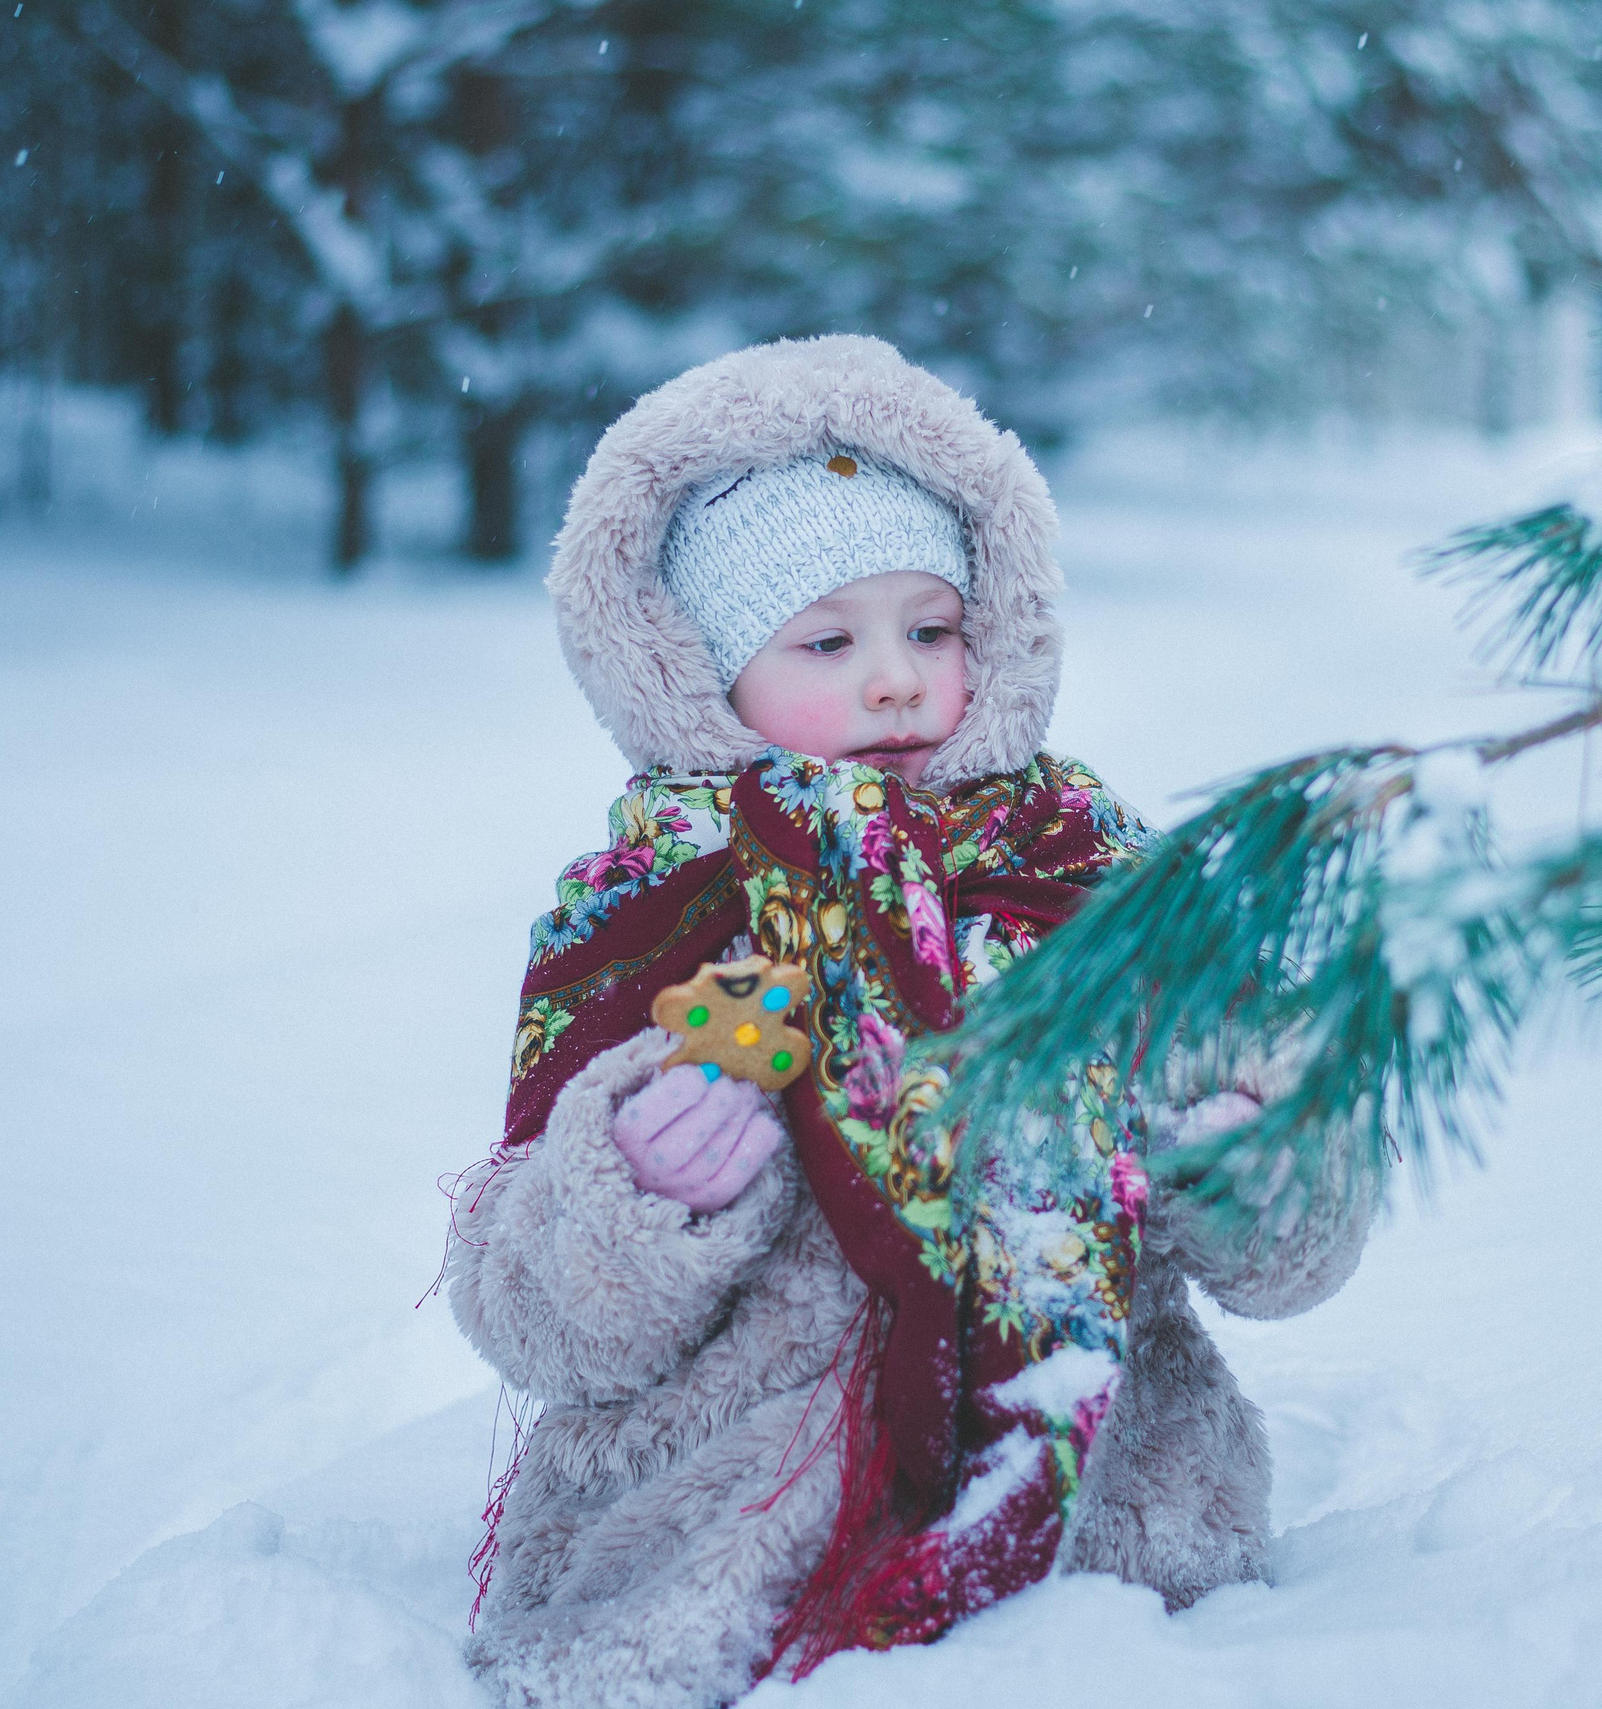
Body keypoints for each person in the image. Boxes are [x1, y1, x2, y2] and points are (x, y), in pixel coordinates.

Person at [447, 335, 1375, 1709]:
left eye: (929, 628)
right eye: (827, 639)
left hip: (1106, 1544)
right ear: (705, 675)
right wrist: (639, 1188)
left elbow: (1293, 1241)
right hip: (726, 1549)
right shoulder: (658, 909)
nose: (893, 678)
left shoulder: (1082, 874)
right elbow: (531, 1311)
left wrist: (1251, 1152)